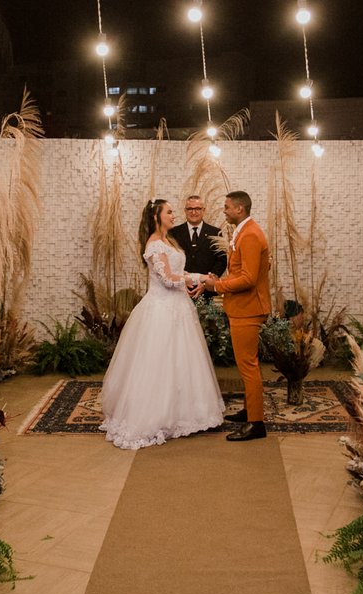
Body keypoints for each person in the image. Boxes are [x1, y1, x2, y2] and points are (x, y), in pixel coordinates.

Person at [98, 199, 225, 450]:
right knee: (159, 362)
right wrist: (199, 277)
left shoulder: (170, 241)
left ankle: (185, 413)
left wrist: (194, 276)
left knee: (183, 362)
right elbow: (167, 279)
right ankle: (155, 415)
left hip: (179, 308)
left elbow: (178, 269)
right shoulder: (155, 244)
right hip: (161, 310)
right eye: (169, 212)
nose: (173, 214)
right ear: (157, 217)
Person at [198, 190, 271, 441]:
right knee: (246, 364)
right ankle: (250, 411)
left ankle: (256, 424)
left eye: (227, 206)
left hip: (249, 309)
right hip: (243, 307)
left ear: (240, 209)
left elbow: (249, 279)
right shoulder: (244, 232)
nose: (224, 210)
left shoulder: (250, 235)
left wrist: (217, 286)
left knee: (248, 367)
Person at [167, 193, 226, 290]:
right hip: (180, 289)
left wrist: (207, 283)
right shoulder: (173, 233)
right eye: (190, 209)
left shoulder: (215, 232)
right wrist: (182, 281)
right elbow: (169, 261)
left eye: (197, 209)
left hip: (207, 290)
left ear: (204, 210)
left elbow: (221, 261)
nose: (193, 212)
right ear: (185, 211)